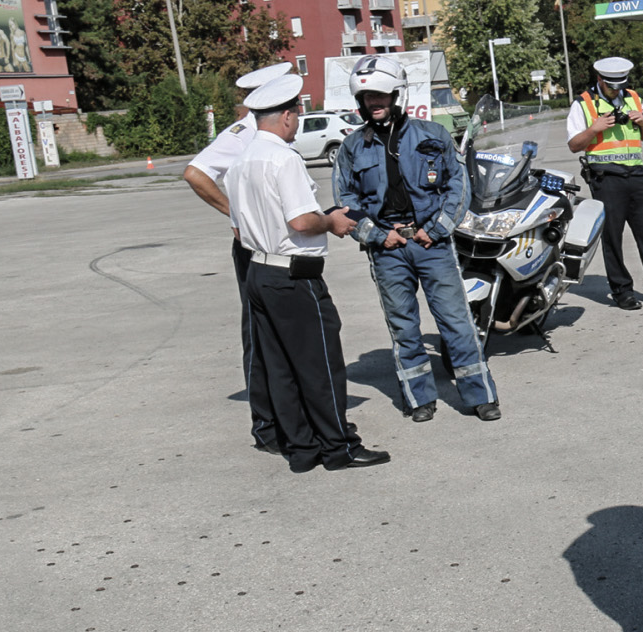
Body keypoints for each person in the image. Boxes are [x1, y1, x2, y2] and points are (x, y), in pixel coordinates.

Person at [224, 73, 389, 473]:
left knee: (279, 366)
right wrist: (330, 221)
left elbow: (237, 228)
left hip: (258, 271)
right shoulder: (283, 159)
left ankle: (301, 448)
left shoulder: (240, 162)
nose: (297, 121)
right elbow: (300, 221)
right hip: (292, 276)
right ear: (285, 117)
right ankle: (338, 447)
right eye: (296, 114)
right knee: (320, 364)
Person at [332, 55, 499, 423]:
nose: (373, 103)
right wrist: (377, 235)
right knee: (404, 328)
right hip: (387, 250)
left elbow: (458, 184)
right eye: (366, 98)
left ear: (396, 95)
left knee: (456, 322)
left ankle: (480, 395)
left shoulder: (433, 135)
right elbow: (346, 202)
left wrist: (436, 228)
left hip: (432, 244)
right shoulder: (351, 148)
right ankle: (419, 397)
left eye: (380, 95)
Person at [183, 62, 295, 455]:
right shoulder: (244, 133)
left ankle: (292, 417)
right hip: (253, 247)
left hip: (277, 245)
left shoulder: (267, 134)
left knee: (286, 335)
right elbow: (195, 173)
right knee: (260, 334)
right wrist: (235, 214)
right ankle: (266, 426)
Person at [566, 57, 643, 310]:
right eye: (612, 86)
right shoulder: (583, 104)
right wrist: (595, 128)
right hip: (606, 179)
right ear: (600, 80)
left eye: (620, 85)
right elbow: (573, 145)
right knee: (612, 237)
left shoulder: (632, 97)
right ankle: (622, 290)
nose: (617, 90)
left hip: (636, 175)